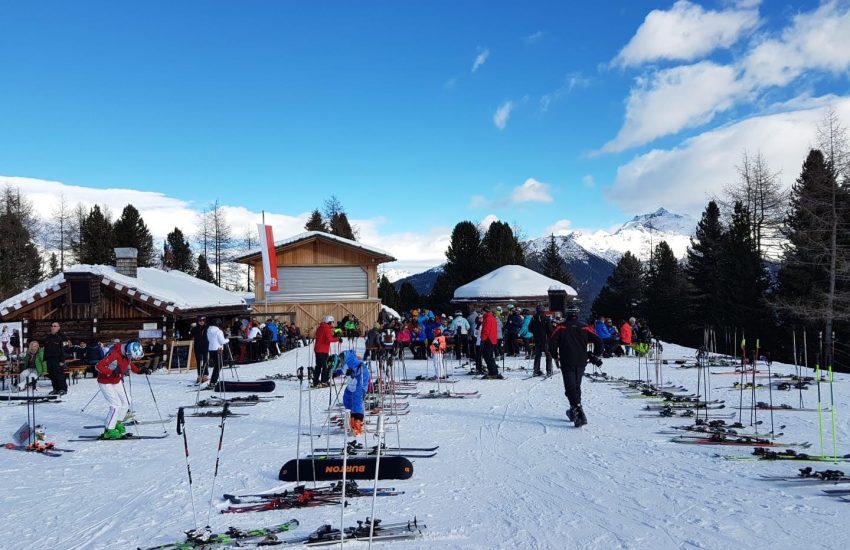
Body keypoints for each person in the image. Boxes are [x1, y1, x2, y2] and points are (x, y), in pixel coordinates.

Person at [549, 308, 602, 427]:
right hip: (581, 360)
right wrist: (595, 355)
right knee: (576, 386)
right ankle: (575, 410)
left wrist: (555, 356)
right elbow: (599, 341)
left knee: (570, 387)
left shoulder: (561, 327)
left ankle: (578, 411)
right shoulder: (584, 327)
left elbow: (551, 343)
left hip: (566, 360)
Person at [95, 339, 149, 439]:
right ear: (128, 352)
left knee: (127, 400)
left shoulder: (126, 353)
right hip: (105, 381)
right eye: (131, 356)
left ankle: (117, 422)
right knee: (116, 405)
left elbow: (129, 363)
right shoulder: (114, 354)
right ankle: (109, 430)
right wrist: (111, 372)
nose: (131, 358)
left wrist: (139, 370)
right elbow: (98, 366)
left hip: (116, 380)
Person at [335, 349, 370, 436]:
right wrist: (337, 372)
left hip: (360, 379)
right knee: (347, 399)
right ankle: (351, 419)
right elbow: (343, 369)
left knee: (357, 401)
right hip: (352, 381)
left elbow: (359, 366)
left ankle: (358, 423)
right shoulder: (342, 361)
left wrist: (353, 372)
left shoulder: (350, 360)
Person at [313, 315, 341, 388]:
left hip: (317, 349)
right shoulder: (326, 328)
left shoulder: (320, 327)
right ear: (329, 322)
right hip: (323, 350)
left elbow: (320, 336)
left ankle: (315, 381)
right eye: (332, 322)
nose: (333, 324)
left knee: (318, 366)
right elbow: (328, 339)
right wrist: (337, 339)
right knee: (325, 366)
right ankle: (323, 381)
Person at [43, 321, 68, 395]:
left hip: (58, 359)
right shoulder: (48, 337)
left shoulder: (62, 337)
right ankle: (55, 389)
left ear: (59, 328)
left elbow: (64, 350)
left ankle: (63, 389)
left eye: (55, 326)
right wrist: (45, 359)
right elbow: (45, 349)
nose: (53, 327)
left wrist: (62, 360)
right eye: (52, 326)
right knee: (52, 375)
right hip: (49, 359)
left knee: (59, 374)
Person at [529, 305, 554, 376]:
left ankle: (536, 370)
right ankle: (549, 371)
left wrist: (535, 331)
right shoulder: (546, 318)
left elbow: (529, 329)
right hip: (545, 339)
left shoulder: (533, 318)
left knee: (537, 355)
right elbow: (550, 330)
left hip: (536, 339)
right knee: (548, 355)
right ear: (543, 310)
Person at [480, 306, 502, 379]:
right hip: (492, 338)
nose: (481, 312)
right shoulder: (492, 317)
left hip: (488, 339)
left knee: (487, 356)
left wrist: (482, 339)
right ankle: (492, 371)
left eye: (482, 311)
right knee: (489, 356)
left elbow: (486, 330)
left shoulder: (488, 318)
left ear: (485, 311)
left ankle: (493, 372)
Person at [207, 318, 229, 386]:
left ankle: (213, 381)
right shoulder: (219, 331)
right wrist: (227, 340)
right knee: (219, 365)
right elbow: (222, 341)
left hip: (211, 349)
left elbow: (208, 339)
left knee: (217, 365)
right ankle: (213, 381)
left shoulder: (208, 330)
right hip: (218, 349)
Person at [190, 317, 209, 383]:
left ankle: (205, 375)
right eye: (200, 320)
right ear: (198, 321)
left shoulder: (207, 328)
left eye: (203, 320)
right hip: (197, 346)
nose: (201, 322)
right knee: (198, 361)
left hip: (205, 345)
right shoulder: (194, 328)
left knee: (205, 360)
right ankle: (199, 375)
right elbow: (190, 336)